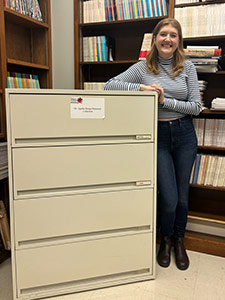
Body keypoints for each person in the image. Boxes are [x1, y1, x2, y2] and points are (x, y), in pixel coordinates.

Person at [104, 18, 202, 270]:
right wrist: (141, 88)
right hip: (156, 135)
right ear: (155, 39)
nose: (168, 39)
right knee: (168, 198)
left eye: (173, 35)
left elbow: (196, 107)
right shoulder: (143, 67)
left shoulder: (187, 68)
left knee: (182, 198)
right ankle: (164, 239)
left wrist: (163, 101)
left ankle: (179, 240)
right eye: (163, 34)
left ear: (179, 41)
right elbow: (110, 86)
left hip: (184, 135)